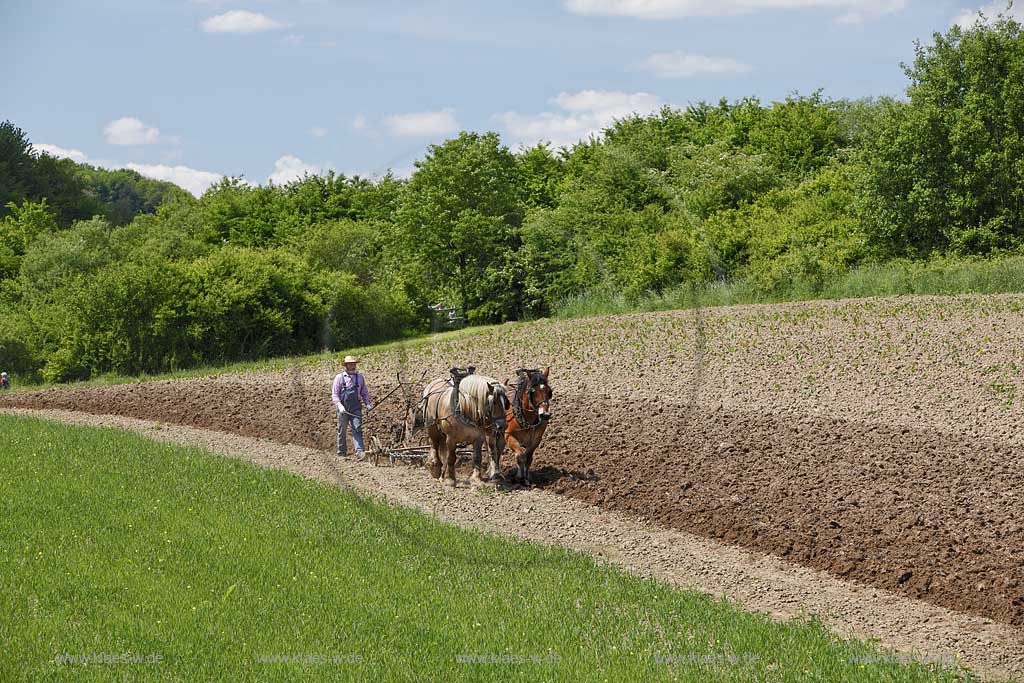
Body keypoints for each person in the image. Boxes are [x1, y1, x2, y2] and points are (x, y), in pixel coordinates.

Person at [331, 355, 372, 459]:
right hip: (343, 408)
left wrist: (367, 403)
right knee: (342, 430)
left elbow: (364, 393)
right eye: (350, 364)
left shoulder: (360, 377)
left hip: (356, 408)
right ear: (346, 366)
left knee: (357, 428)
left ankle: (360, 452)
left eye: (354, 364)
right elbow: (335, 394)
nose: (353, 366)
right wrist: (339, 406)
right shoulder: (339, 378)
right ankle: (341, 452)